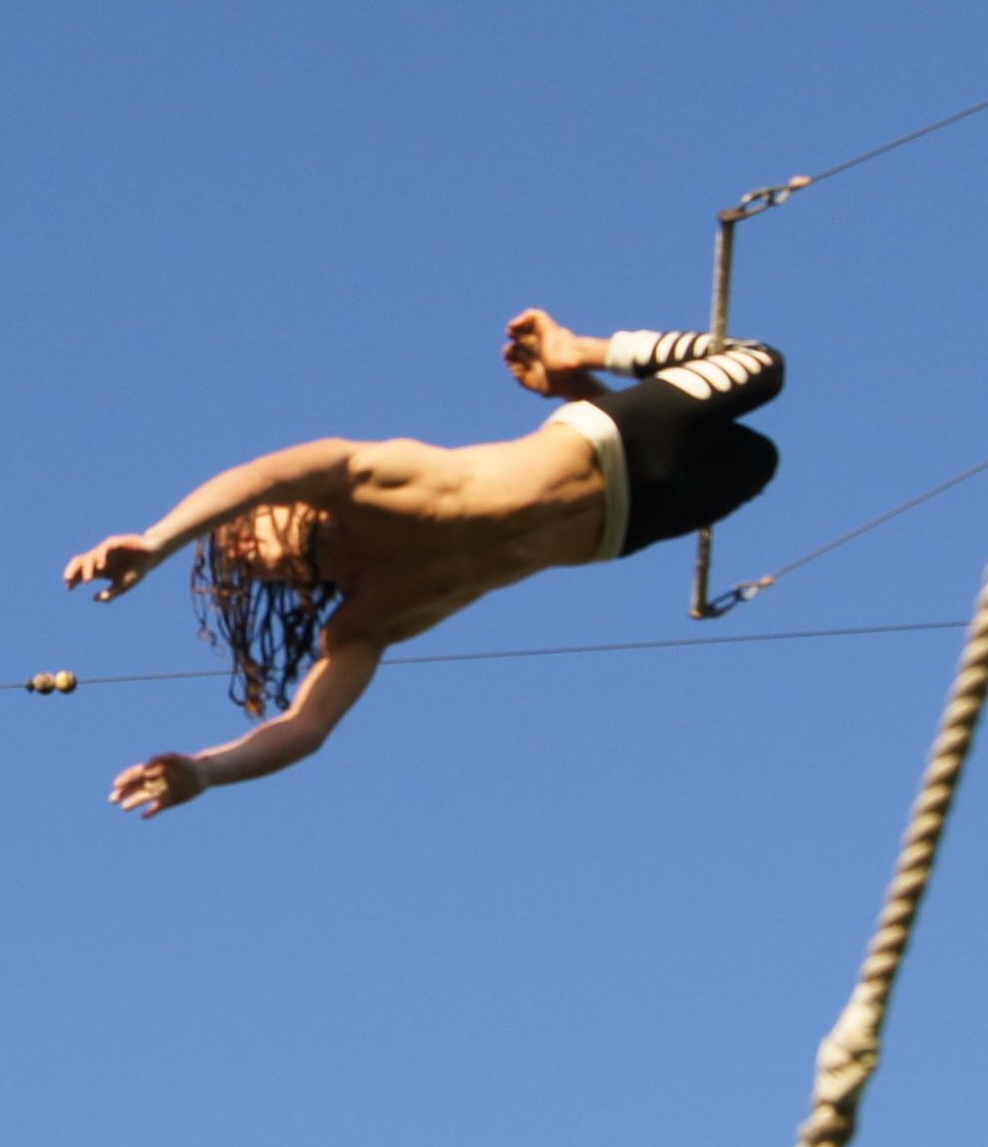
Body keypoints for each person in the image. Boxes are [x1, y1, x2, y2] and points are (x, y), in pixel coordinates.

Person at [61, 309, 782, 814]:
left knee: (759, 365)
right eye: (245, 566)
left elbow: (253, 478)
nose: (247, 547)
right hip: (631, 522)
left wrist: (159, 540)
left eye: (244, 533)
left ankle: (578, 354)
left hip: (612, 441)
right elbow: (307, 728)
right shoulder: (370, 618)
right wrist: (208, 771)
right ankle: (575, 378)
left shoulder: (361, 478)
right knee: (756, 457)